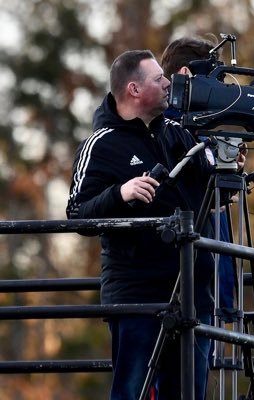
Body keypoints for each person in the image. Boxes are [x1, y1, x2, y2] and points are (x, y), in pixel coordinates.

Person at [66, 50, 219, 400]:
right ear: (134, 89)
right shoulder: (100, 145)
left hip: (193, 294)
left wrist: (229, 172)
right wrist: (120, 193)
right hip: (137, 298)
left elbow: (212, 196)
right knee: (132, 393)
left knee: (189, 393)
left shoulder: (179, 135)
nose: (169, 82)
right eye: (158, 79)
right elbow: (76, 215)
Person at [161, 37, 237, 313]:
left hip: (207, 284)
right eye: (212, 77)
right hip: (186, 287)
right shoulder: (167, 130)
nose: (219, 87)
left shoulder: (203, 128)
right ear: (185, 74)